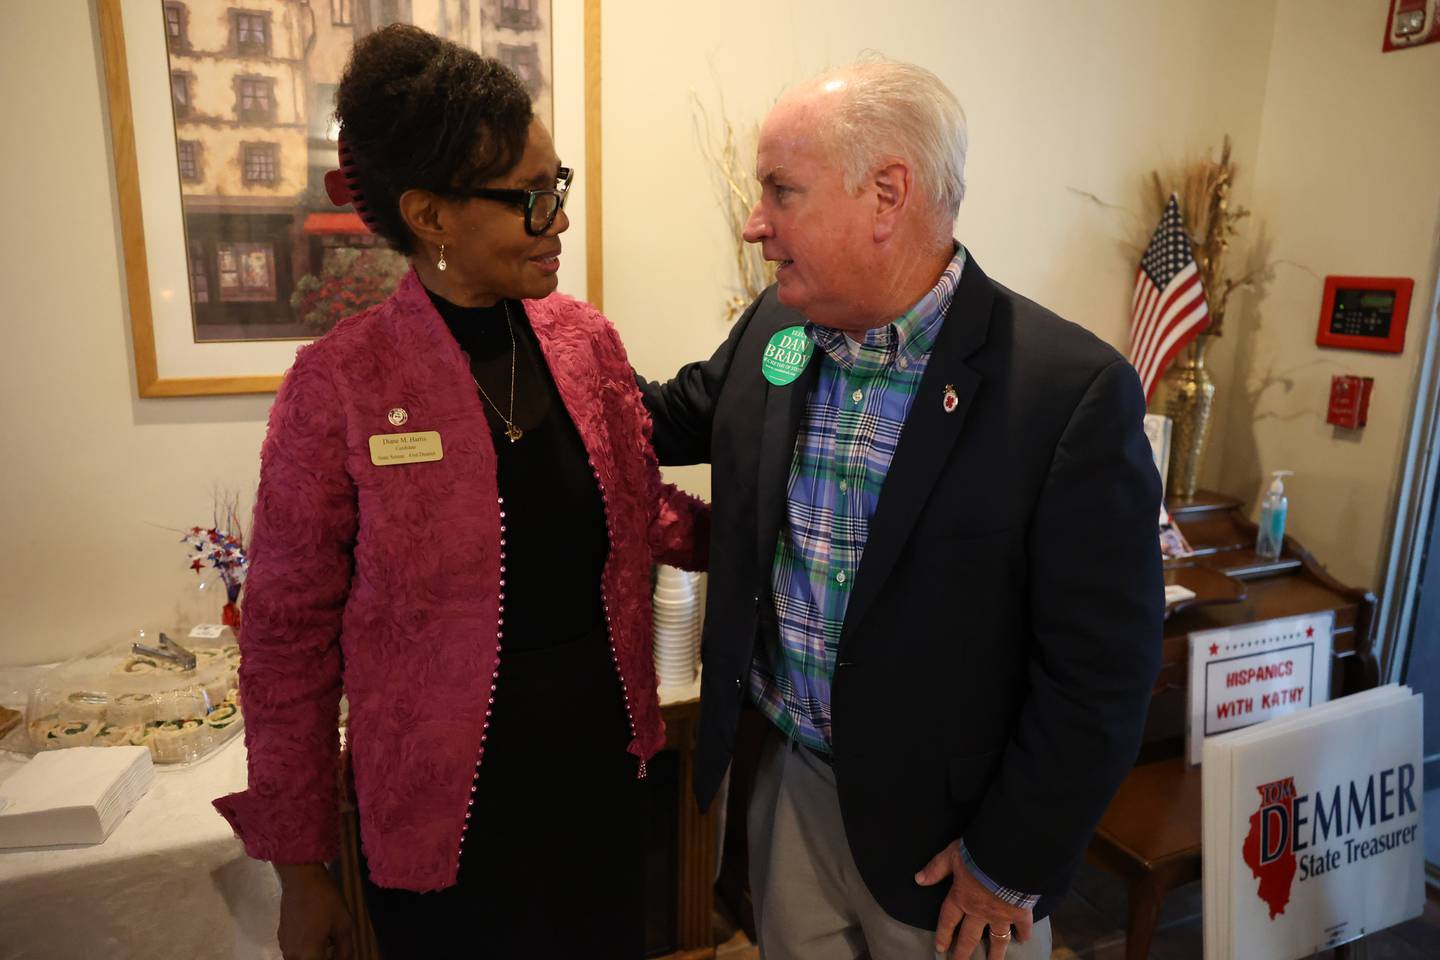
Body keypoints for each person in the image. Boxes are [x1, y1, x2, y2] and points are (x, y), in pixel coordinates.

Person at [640, 59, 1163, 960]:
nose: (754, 222)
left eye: (781, 191)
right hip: (792, 791)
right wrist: (535, 358)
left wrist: (1008, 862)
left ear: (887, 194)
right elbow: (680, 413)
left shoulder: (1066, 393)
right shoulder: (783, 331)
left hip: (953, 848)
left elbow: (1102, 673)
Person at [214, 25, 707, 960]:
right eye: (528, 199)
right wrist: (303, 871)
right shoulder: (342, 385)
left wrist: (776, 533)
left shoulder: (583, 343)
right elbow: (285, 646)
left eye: (555, 186)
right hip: (448, 817)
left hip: (600, 778)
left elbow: (641, 514)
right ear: (430, 216)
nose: (557, 219)